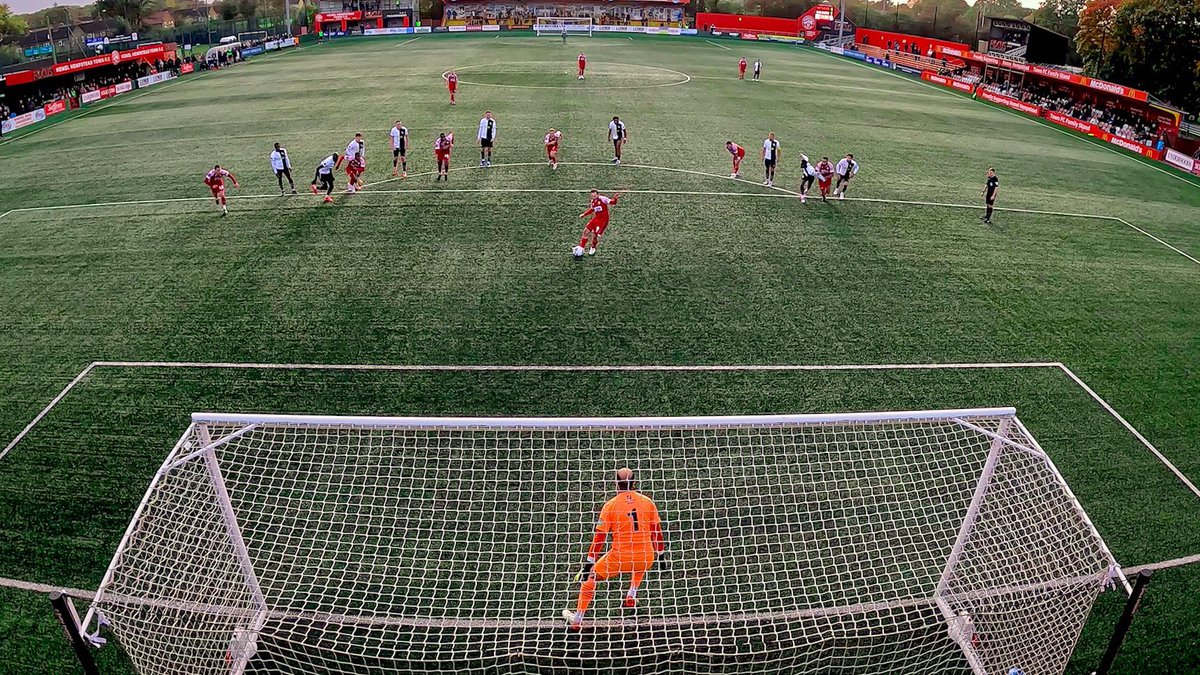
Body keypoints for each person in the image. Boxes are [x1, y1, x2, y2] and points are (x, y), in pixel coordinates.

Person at [563, 467, 664, 630]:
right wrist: (661, 555)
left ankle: (577, 619)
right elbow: (657, 532)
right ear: (635, 483)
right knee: (642, 555)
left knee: (591, 578)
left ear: (616, 483)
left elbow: (599, 538)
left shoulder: (610, 505)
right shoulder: (648, 502)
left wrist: (589, 563)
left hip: (619, 560)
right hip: (647, 559)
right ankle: (631, 594)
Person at [576, 189, 624, 256]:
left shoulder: (603, 199)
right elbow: (592, 209)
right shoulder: (593, 201)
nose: (593, 197)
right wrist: (584, 214)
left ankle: (593, 247)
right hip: (596, 218)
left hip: (603, 220)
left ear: (598, 195)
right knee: (585, 231)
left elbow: (613, 202)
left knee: (595, 235)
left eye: (595, 196)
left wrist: (615, 198)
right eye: (592, 196)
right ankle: (581, 247)